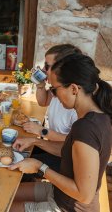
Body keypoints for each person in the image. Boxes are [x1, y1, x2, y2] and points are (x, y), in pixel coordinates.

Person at [9, 53, 112, 212]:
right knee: (8, 193)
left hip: (65, 205)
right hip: (59, 192)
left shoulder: (85, 128)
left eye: (55, 90)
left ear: (74, 89)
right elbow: (71, 152)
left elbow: (84, 195)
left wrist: (39, 167)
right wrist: (35, 141)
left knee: (3, 206)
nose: (54, 96)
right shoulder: (98, 117)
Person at [22, 44, 81, 174]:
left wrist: (42, 131)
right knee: (18, 149)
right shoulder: (58, 89)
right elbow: (43, 102)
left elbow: (76, 141)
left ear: (63, 68)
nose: (43, 69)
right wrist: (40, 85)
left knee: (19, 161)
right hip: (53, 147)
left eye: (47, 66)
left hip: (66, 158)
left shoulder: (79, 103)